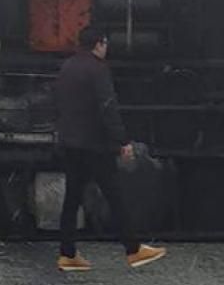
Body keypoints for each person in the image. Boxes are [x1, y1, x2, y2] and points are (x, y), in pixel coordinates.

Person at [54, 25, 167, 271]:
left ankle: (67, 253)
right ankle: (133, 249)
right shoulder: (98, 69)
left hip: (70, 142)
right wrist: (122, 141)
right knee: (115, 197)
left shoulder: (68, 67)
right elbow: (107, 108)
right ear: (99, 43)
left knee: (72, 200)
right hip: (95, 145)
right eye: (105, 44)